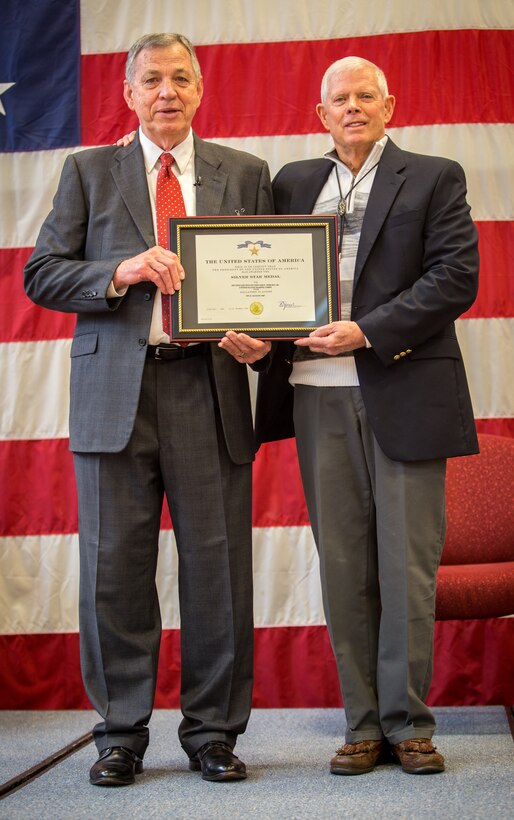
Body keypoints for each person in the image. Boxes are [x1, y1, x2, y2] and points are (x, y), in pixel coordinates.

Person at [24, 32, 273, 786]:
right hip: (114, 397)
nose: (168, 91)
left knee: (218, 570)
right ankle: (120, 735)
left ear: (201, 90)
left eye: (181, 79)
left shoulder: (246, 172)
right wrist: (122, 270)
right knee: (114, 571)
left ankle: (214, 735)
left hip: (209, 387)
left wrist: (263, 337)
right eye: (152, 80)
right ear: (128, 94)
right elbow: (43, 274)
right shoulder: (88, 170)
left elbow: (274, 277)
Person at [220, 56, 479, 776]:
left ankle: (410, 724)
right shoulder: (293, 182)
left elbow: (455, 277)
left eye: (366, 95)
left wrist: (368, 331)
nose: (354, 107)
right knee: (344, 567)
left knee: (407, 567)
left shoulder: (434, 175)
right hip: (313, 393)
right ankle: (363, 724)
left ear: (390, 105)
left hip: (403, 389)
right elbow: (261, 283)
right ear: (321, 114)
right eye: (340, 98)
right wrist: (251, 341)